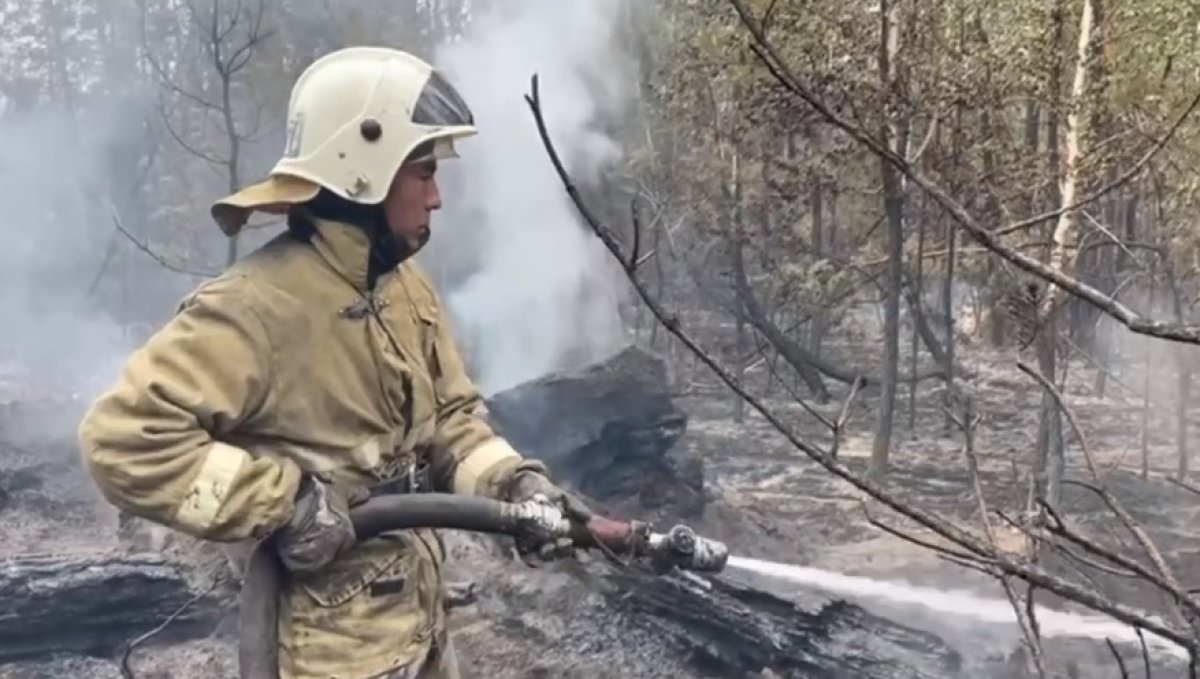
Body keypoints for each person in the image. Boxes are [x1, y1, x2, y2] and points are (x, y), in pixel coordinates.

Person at [77, 46, 582, 679]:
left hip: (421, 625)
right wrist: (284, 505)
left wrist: (515, 489)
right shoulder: (254, 308)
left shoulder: (403, 288)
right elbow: (123, 441)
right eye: (422, 173)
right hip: (329, 650)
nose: (437, 198)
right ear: (364, 171)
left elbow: (451, 422)